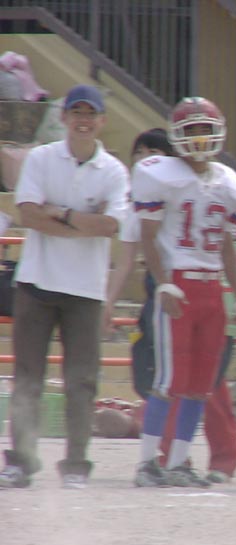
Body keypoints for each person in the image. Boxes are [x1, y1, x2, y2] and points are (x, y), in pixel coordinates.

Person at [0, 84, 129, 489]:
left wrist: (60, 214)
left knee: (81, 381)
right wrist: (83, 222)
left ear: (102, 121)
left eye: (90, 114)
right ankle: (22, 459)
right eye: (77, 113)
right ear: (65, 117)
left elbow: (111, 225)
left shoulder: (114, 171)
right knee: (27, 377)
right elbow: (28, 215)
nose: (83, 120)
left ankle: (75, 464)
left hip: (86, 290)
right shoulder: (41, 158)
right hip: (36, 282)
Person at [105, 128, 236, 483]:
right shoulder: (159, 176)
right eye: (192, 131)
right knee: (168, 381)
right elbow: (147, 238)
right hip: (179, 284)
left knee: (200, 386)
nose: (200, 139)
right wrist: (163, 281)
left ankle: (178, 462)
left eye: (205, 130)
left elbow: (227, 245)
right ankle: (148, 463)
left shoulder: (230, 183)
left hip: (212, 287)